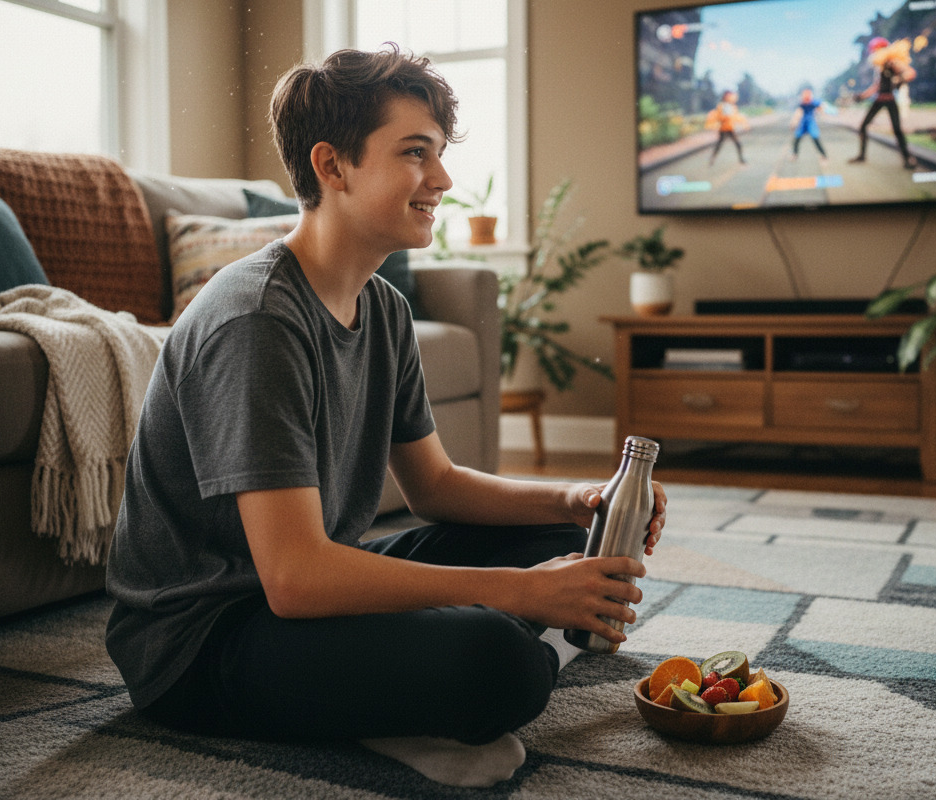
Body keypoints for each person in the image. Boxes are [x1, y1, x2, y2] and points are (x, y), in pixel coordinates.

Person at [104, 47, 668, 789]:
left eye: (439, 155)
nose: (442, 180)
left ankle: (424, 681)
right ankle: (447, 684)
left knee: (566, 538)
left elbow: (433, 484)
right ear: (333, 167)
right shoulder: (257, 320)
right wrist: (517, 593)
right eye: (415, 153)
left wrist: (572, 497)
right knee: (496, 663)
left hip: (307, 596)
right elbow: (296, 578)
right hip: (207, 639)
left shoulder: (384, 307)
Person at [849, 37, 918, 169]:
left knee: (897, 130)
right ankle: (862, 155)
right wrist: (862, 96)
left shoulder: (891, 62)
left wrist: (899, 79)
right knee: (863, 126)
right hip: (879, 99)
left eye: (875, 50)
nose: (873, 53)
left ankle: (907, 158)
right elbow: (876, 86)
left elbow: (910, 73)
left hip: (890, 99)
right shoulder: (880, 67)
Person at [705, 90, 749, 165]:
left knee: (737, 144)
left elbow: (735, 117)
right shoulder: (722, 106)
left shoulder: (731, 106)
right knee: (720, 145)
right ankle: (712, 158)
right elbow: (721, 117)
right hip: (723, 129)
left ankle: (741, 159)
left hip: (730, 128)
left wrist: (741, 123)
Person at [790, 88, 828, 160]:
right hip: (803, 122)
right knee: (797, 138)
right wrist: (793, 122)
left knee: (815, 138)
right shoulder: (801, 104)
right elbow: (797, 113)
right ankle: (795, 154)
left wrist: (821, 111)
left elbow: (822, 106)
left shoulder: (814, 102)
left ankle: (823, 155)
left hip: (811, 122)